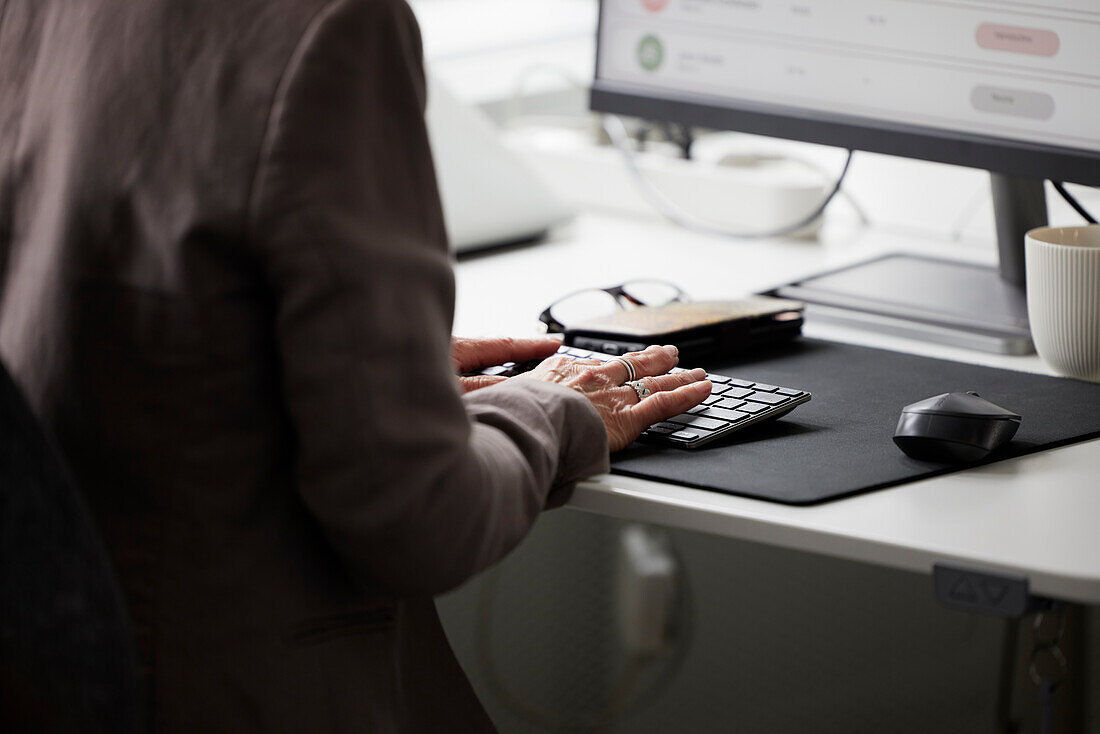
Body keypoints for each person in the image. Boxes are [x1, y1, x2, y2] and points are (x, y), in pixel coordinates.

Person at [0, 0, 710, 731]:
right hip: (216, 685)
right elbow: (422, 522)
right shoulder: (331, 25)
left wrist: (362, 362)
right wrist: (549, 407)